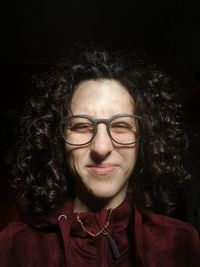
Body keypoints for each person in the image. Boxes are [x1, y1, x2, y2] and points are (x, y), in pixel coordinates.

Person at [0, 45, 200, 267]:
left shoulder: (182, 243)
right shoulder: (13, 246)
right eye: (81, 126)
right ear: (57, 140)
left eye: (121, 125)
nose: (101, 148)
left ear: (145, 140)